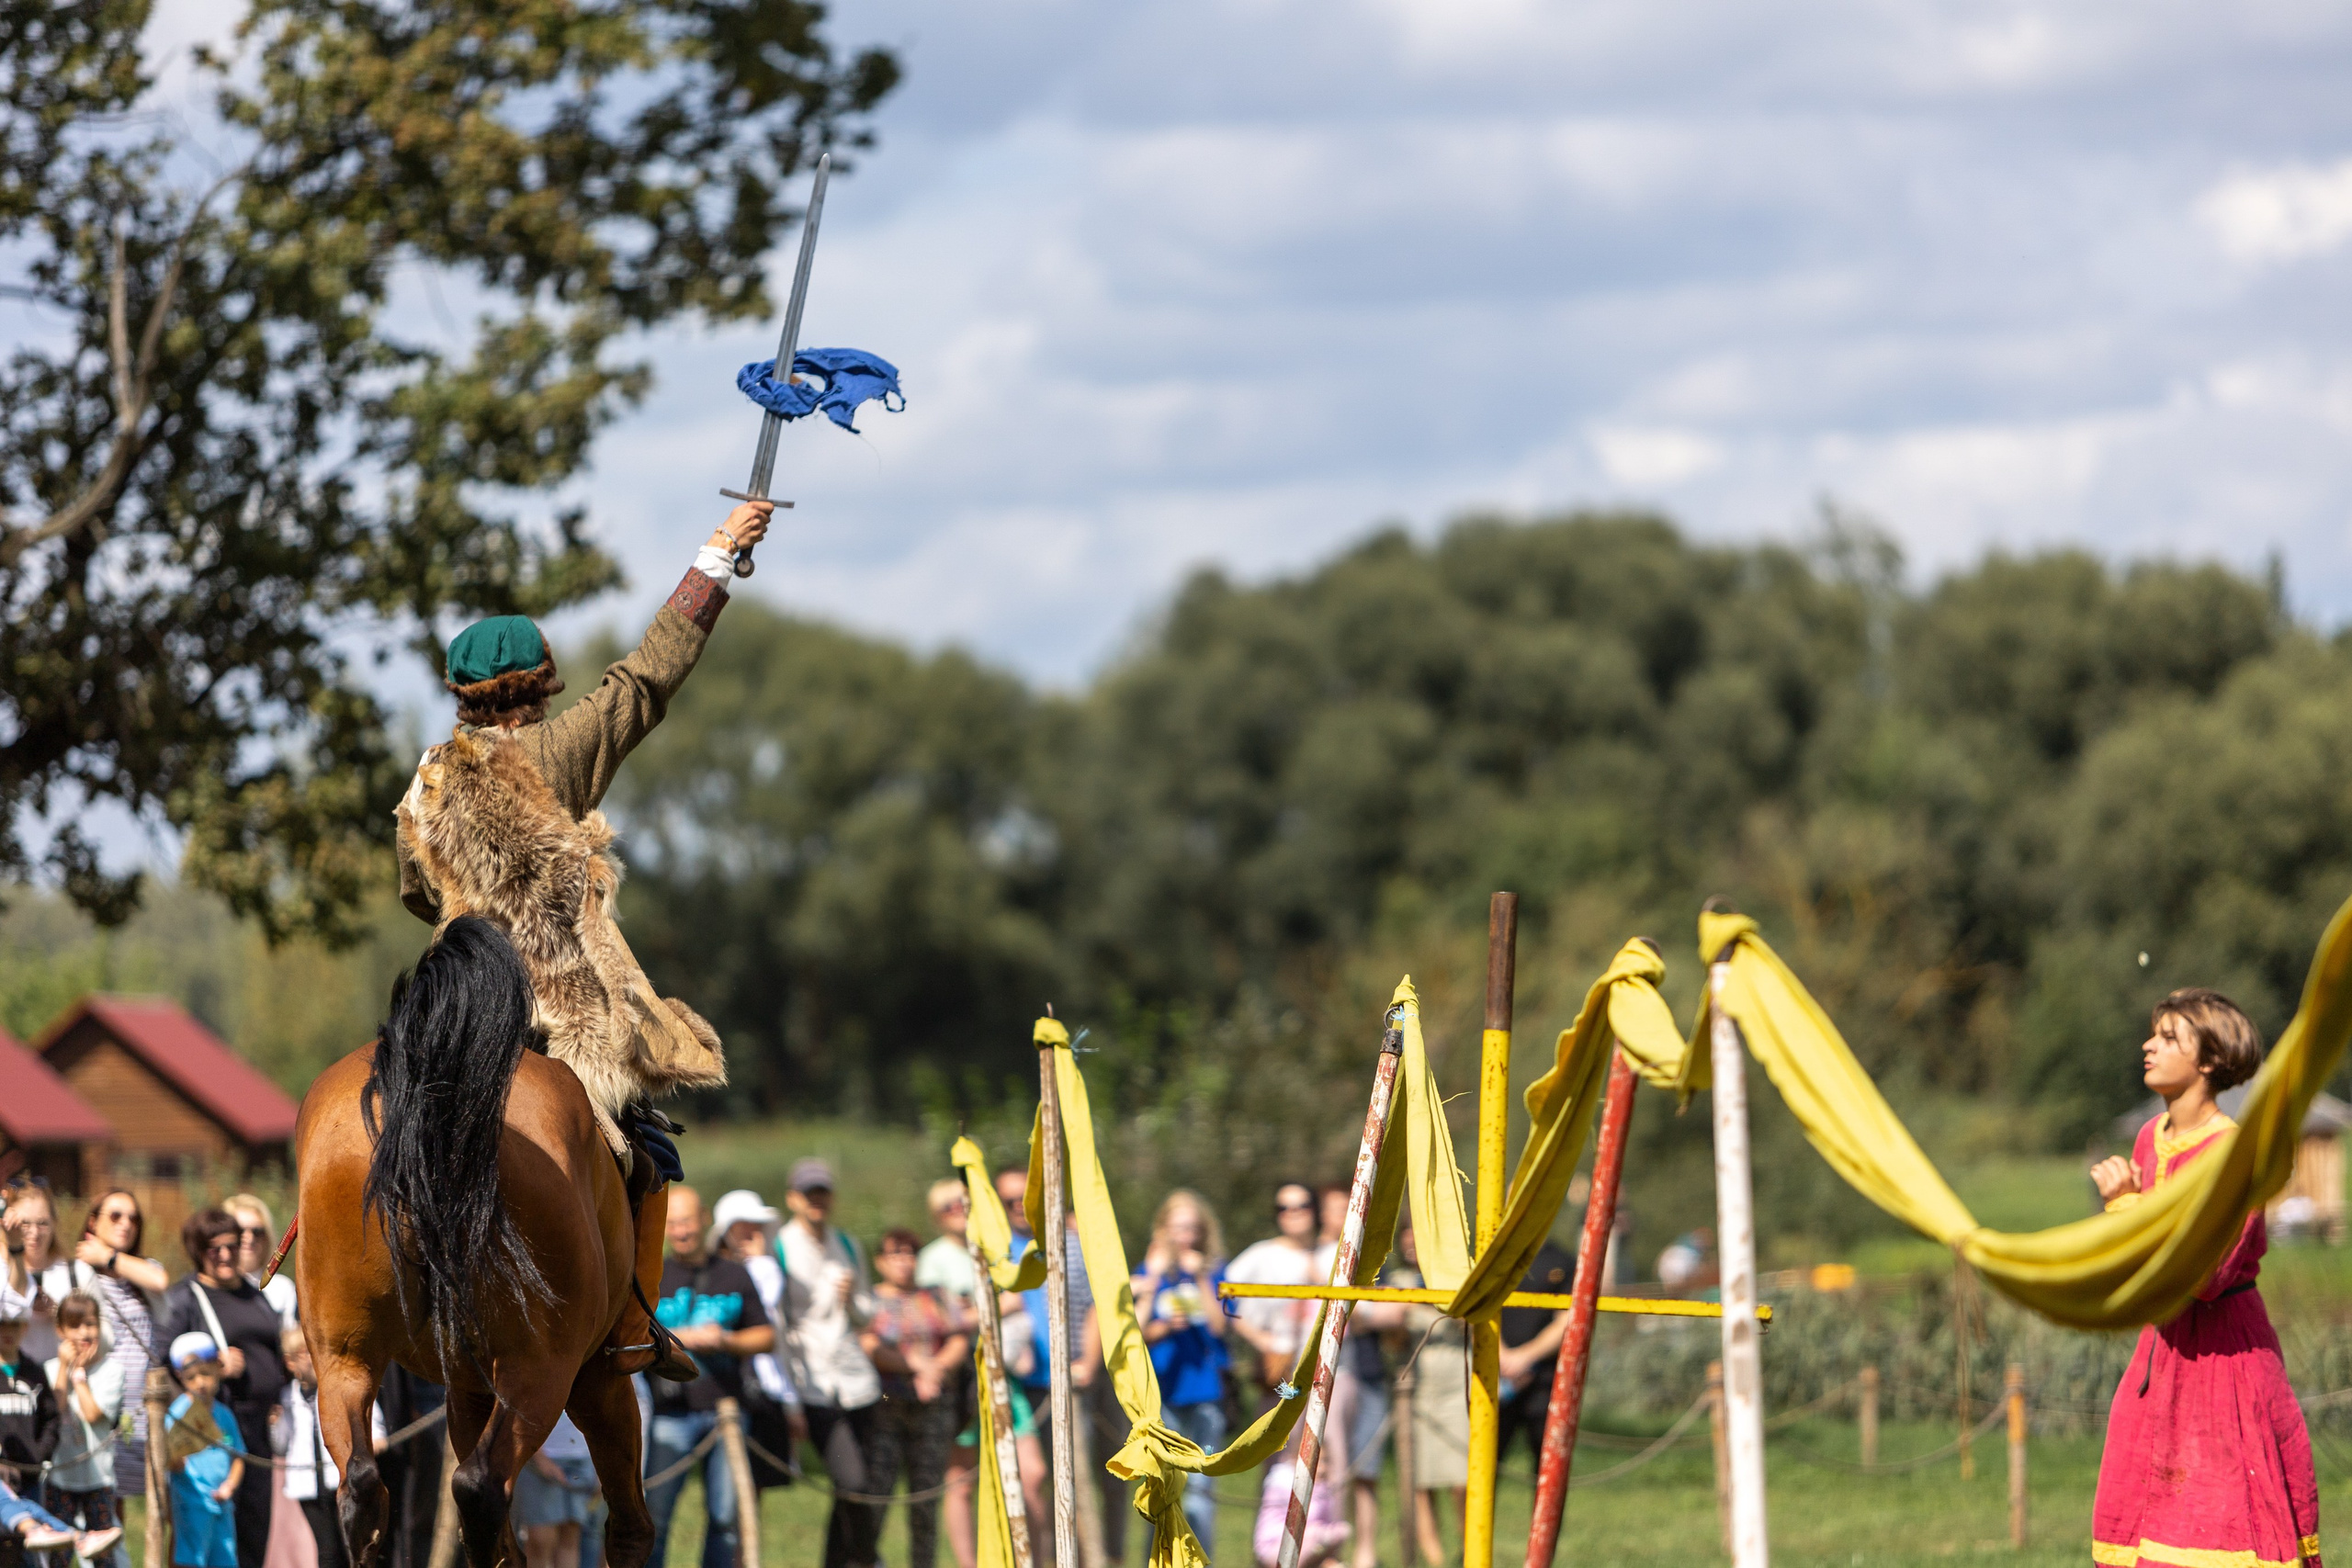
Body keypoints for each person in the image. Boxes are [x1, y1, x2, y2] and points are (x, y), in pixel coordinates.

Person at [392, 503, 774, 1203]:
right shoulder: (558, 750)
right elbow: (648, 676)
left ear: (460, 693)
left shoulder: (423, 785)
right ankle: (635, 1321)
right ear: (540, 684)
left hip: (459, 1006)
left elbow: (417, 895)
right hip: (558, 1018)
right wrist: (719, 555)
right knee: (651, 1163)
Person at [2089, 988, 2320, 1568]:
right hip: (2162, 1353)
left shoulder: (2233, 1154)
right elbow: (2138, 1264)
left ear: (2210, 1060)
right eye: (2153, 1033)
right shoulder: (2148, 1138)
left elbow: (2207, 1275)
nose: (2148, 1045)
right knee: (2147, 1513)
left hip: (2225, 1360)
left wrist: (2125, 1207)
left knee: (2221, 1526)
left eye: (2169, 1038)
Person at [645, 1186, 775, 1568]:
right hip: (669, 1413)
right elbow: (631, 1337)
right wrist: (680, 1340)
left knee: (724, 1520)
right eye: (671, 1223)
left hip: (727, 1413)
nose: (681, 1231)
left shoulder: (735, 1274)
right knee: (656, 1518)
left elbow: (767, 1336)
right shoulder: (649, 1274)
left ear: (703, 1219)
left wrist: (727, 1340)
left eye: (686, 1221)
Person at [154, 1209, 288, 1568]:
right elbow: (160, 1356)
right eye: (215, 1249)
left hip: (256, 1432)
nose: (226, 1255)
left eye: (232, 1246)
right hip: (208, 1433)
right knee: (204, 1532)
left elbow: (273, 1348)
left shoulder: (253, 1291)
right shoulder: (184, 1297)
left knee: (253, 1528)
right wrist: (210, 1364)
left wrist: (277, 1393)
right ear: (199, 1252)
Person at [776, 1160, 883, 1568]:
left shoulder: (849, 1244)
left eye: (822, 1192)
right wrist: (789, 1400)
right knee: (851, 1482)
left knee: (857, 1487)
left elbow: (866, 1314)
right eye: (808, 1193)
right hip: (812, 1381)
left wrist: (852, 1293)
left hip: (857, 1379)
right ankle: (868, 1557)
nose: (816, 1200)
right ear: (792, 1199)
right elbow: (780, 1325)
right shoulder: (781, 1246)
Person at [864, 1228, 968, 1568]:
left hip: (933, 1409)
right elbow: (867, 1344)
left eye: (909, 1253)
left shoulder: (937, 1297)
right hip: (886, 1409)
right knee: (877, 1495)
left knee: (926, 1500)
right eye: (895, 1254)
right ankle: (867, 1560)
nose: (903, 1262)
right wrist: (914, 1368)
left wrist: (934, 1368)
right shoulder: (870, 1300)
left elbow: (957, 1340)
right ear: (880, 1261)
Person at [1133, 1190, 1227, 1557]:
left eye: (1191, 1229)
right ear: (1163, 1231)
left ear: (1202, 1232)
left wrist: (1201, 1276)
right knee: (1160, 1489)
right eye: (1176, 1229)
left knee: (1201, 1495)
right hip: (1162, 1398)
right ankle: (1157, 1560)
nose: (1184, 1237)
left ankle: (1201, 1561)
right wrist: (1155, 1277)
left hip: (1204, 1396)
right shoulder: (1149, 1274)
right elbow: (1137, 1330)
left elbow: (1219, 1327)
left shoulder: (1214, 1270)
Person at [73, 1190, 169, 1506]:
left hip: (143, 1406)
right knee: (101, 1497)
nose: (126, 1223)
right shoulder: (79, 1273)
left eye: (133, 1218)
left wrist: (109, 1257)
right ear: (92, 1222)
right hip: (99, 1400)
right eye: (115, 1216)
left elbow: (160, 1281)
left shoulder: (143, 1269)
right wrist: (96, 1260)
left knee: (152, 1503)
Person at [708, 1188, 808, 1488]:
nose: (752, 1232)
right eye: (743, 1226)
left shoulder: (765, 1268)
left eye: (756, 1225)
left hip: (764, 1386)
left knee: (754, 1484)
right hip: (729, 1384)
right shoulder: (719, 1273)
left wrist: (791, 1403)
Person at [1392, 1222, 1465, 1568]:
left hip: (1457, 1386)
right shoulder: (1397, 1284)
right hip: (1417, 1391)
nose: (1412, 1248)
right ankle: (1435, 1561)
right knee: (1421, 1482)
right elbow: (1391, 1339)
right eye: (1408, 1242)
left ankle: (1469, 1552)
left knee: (1462, 1480)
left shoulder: (1458, 1277)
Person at [914, 1180, 980, 1568]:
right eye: (948, 1206)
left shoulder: (990, 1249)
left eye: (963, 1203)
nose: (958, 1210)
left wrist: (967, 1312)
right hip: (960, 1374)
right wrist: (989, 1310)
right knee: (961, 1476)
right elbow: (939, 1320)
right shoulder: (932, 1259)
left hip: (1003, 1369)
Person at [1224, 1183, 1321, 1402]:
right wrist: (1259, 1338)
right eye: (1284, 1208)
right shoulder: (1262, 1254)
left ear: (1315, 1209)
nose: (1293, 1212)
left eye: (1302, 1206)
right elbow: (1218, 1295)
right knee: (1282, 1433)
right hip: (1280, 1368)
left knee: (1329, 1436)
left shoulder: (1332, 1252)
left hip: (1329, 1368)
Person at [43, 1292, 122, 1554]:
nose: (84, 1333)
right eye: (75, 1326)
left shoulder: (112, 1370)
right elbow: (56, 1409)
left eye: (90, 1324)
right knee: (59, 1553)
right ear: (60, 1330)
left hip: (98, 1479)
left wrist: (78, 1375)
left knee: (103, 1553)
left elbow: (92, 1414)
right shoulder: (49, 1369)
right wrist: (65, 1367)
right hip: (60, 1477)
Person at [1493, 1242, 1573, 1480]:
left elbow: (1568, 1320)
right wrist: (1502, 1356)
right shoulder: (1489, 1254)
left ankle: (1545, 1519)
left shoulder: (1563, 1260)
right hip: (1493, 1374)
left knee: (1548, 1471)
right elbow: (1475, 1308)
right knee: (1479, 1467)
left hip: (1545, 1379)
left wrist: (1525, 1357)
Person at [164, 1334, 243, 1568]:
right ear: (181, 1378)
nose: (201, 1383)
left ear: (218, 1371)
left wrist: (230, 1485)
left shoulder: (224, 1415)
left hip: (222, 1504)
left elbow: (239, 1456)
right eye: (192, 1377)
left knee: (225, 1559)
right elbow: (170, 1459)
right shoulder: (177, 1414)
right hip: (192, 1503)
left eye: (206, 1374)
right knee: (192, 1560)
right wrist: (175, 1460)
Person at [3, 1183, 76, 1364]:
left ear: (54, 1223)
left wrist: (60, 1314)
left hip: (63, 1381)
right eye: (24, 1223)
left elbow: (106, 1337)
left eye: (42, 1223)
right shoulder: (2, 1269)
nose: (34, 1233)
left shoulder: (75, 1272)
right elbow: (12, 1309)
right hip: (11, 1383)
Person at [512, 1413, 595, 1568]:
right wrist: (538, 1456)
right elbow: (515, 1403)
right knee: (540, 1540)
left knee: (570, 1536)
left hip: (584, 1459)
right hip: (538, 1459)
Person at [221, 1198, 295, 1326]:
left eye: (257, 1231)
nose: (249, 1238)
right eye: (240, 1231)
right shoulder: (209, 1286)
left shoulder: (282, 1288)